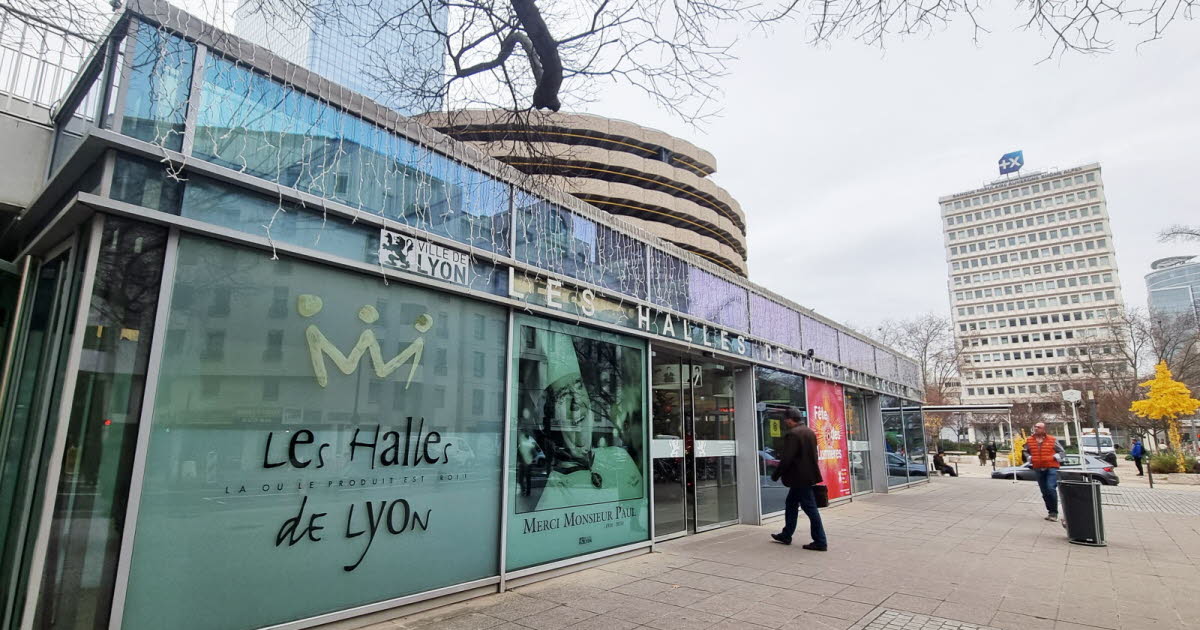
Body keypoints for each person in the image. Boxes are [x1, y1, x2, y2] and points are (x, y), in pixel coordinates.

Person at [770, 406, 827, 551]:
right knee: (791, 503)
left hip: (799, 478)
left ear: (790, 420)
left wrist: (776, 474)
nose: (785, 422)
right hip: (807, 476)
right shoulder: (809, 432)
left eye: (785, 420)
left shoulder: (793, 434)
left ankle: (820, 541)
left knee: (810, 509)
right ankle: (786, 534)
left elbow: (787, 458)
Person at [1022, 422, 1065, 521]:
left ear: (1044, 429)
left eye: (1039, 427)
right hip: (1038, 467)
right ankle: (1050, 512)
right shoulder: (1029, 440)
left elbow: (1062, 452)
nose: (1036, 429)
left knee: (1050, 488)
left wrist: (1055, 457)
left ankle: (1054, 513)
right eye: (1035, 427)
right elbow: (1024, 451)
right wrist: (1029, 457)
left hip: (1052, 467)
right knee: (1044, 491)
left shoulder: (1052, 440)